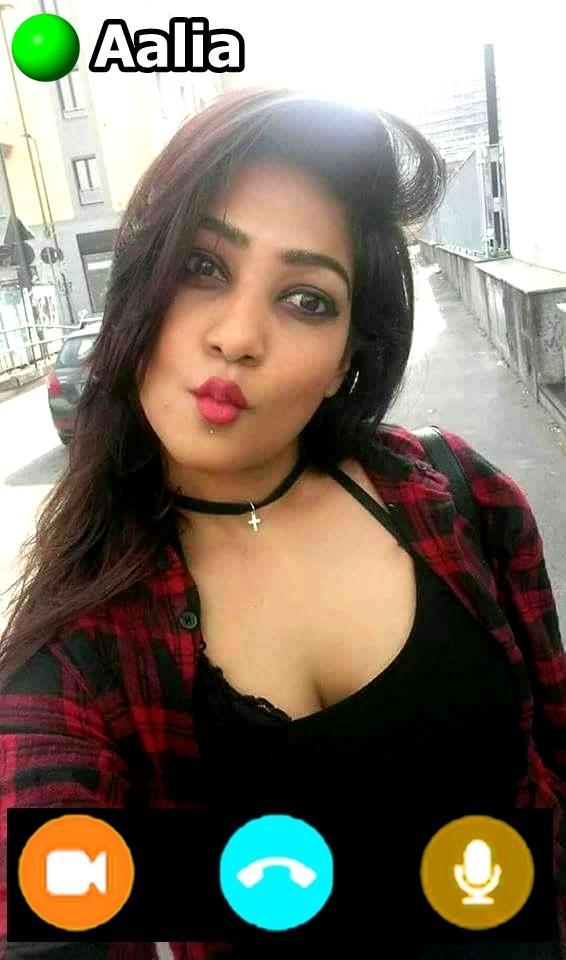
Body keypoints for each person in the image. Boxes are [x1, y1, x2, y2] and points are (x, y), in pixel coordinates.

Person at [0, 86, 564, 960]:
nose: (237, 337)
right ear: (141, 282)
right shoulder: (76, 654)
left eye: (307, 300)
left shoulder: (460, 498)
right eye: (203, 266)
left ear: (346, 361)